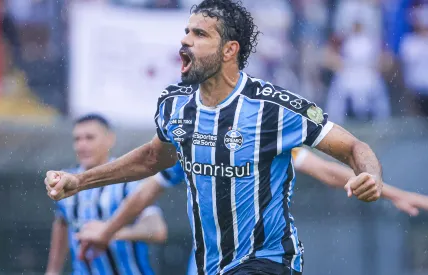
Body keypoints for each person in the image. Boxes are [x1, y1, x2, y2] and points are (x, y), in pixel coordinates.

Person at [45, 1, 385, 274]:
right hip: (212, 265)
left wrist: (370, 176)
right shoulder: (174, 105)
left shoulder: (274, 108)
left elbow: (354, 146)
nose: (185, 40)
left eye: (199, 34)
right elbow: (152, 159)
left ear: (228, 50)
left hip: (270, 260)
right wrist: (80, 181)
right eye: (186, 32)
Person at [76, 147, 428, 274]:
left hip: (262, 260)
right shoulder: (188, 140)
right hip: (209, 264)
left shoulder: (263, 131)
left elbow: (328, 171)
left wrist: (392, 192)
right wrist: (107, 232)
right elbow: (144, 193)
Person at [45, 114, 167, 275]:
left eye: (90, 138)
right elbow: (62, 224)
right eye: (77, 139)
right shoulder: (67, 180)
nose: (82, 145)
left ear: (110, 139)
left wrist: (109, 232)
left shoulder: (129, 181)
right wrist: (52, 271)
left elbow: (157, 230)